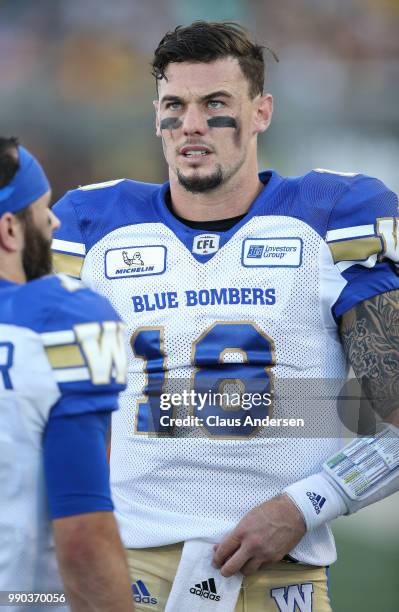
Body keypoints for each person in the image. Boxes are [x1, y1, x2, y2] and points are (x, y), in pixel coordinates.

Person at [52, 21, 399, 612]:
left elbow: (391, 414)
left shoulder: (332, 216)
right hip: (126, 570)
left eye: (215, 104)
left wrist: (307, 504)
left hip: (276, 573)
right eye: (174, 105)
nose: (191, 124)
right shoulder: (91, 225)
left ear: (261, 111)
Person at [0, 137, 135, 611]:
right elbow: (83, 539)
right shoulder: (61, 320)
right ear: (10, 230)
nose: (55, 221)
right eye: (42, 209)